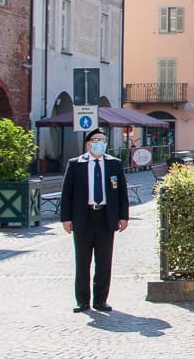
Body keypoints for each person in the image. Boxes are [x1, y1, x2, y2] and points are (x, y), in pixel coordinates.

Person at [60, 128, 130, 313]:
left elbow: (122, 192)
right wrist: (66, 219)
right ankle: (82, 301)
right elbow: (67, 193)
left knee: (104, 261)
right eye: (96, 139)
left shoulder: (114, 164)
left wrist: (123, 216)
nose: (99, 143)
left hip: (106, 217)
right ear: (88, 143)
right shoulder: (76, 164)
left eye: (103, 140)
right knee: (83, 261)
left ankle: (101, 300)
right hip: (83, 217)